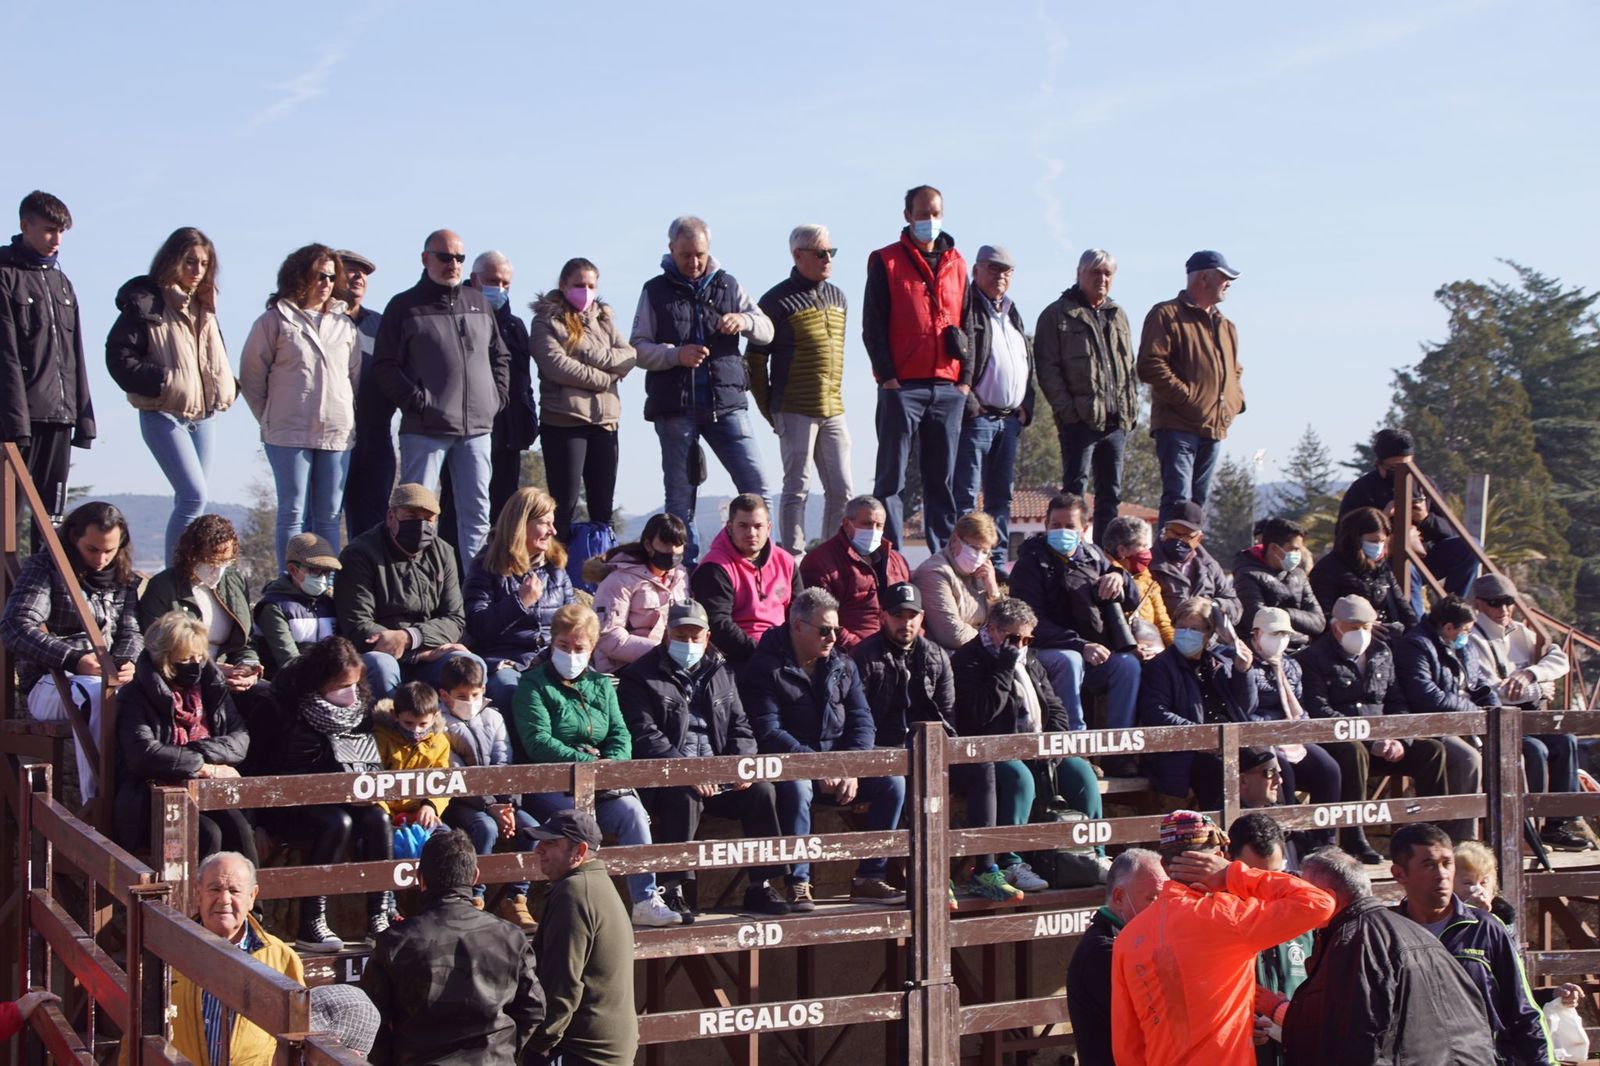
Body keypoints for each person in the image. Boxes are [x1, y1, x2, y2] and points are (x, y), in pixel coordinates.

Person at [1110, 810, 1334, 1066]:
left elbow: (1127, 1045)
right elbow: (1319, 903)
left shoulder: (1128, 938)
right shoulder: (1229, 916)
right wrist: (1234, 874)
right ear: (1219, 857)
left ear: (1163, 865)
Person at [619, 601, 791, 919]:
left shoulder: (723, 672)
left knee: (762, 790)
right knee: (682, 795)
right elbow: (645, 735)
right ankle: (673, 890)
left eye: (694, 636)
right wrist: (686, 771)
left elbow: (741, 727)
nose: (688, 642)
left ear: (707, 637)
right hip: (668, 779)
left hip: (719, 774)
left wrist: (740, 765)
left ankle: (761, 884)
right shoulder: (639, 676)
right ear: (666, 634)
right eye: (680, 635)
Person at [513, 604, 679, 927]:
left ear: (592, 649)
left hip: (601, 783)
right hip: (552, 784)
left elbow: (620, 734)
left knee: (632, 812)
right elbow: (538, 741)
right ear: (552, 642)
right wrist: (590, 764)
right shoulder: (532, 684)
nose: (571, 654)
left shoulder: (602, 685)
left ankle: (645, 899)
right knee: (577, 822)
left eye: (579, 648)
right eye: (564, 645)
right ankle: (577, 908)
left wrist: (611, 766)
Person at [740, 587, 906, 909]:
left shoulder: (843, 664)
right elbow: (768, 731)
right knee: (798, 787)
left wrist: (851, 767)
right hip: (791, 766)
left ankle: (869, 877)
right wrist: (816, 765)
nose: (832, 638)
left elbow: (863, 722)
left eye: (836, 630)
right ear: (797, 626)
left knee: (893, 783)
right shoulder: (764, 667)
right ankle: (798, 883)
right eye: (825, 630)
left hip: (837, 766)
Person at [629, 216, 772, 563]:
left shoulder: (729, 284)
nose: (694, 262)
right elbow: (638, 348)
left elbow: (766, 330)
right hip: (676, 409)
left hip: (727, 405)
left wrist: (744, 320)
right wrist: (675, 355)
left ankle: (760, 565)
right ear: (671, 250)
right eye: (686, 255)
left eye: (700, 254)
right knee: (680, 501)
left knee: (757, 488)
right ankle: (684, 572)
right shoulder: (654, 291)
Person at [1278, 847, 1495, 1066]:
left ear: (1329, 898)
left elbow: (1355, 1041)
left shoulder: (1354, 943)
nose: (1300, 904)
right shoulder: (1416, 933)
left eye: (1305, 896)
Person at [950, 597, 1105, 901]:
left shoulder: (1030, 659)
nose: (1020, 645)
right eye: (1014, 639)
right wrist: (1004, 668)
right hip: (991, 751)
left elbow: (1055, 707)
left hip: (1037, 747)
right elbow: (980, 714)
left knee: (1080, 773)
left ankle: (1093, 854)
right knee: (1019, 779)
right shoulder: (968, 660)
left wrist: (1055, 742)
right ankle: (1011, 862)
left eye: (1027, 639)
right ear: (992, 630)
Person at [372, 229, 511, 563]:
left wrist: (495, 398)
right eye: (445, 257)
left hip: (477, 430)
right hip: (425, 431)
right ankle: (411, 587)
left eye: (460, 258)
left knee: (477, 517)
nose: (453, 264)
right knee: (414, 518)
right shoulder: (403, 306)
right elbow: (385, 365)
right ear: (426, 259)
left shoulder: (478, 303)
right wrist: (417, 401)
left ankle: (474, 591)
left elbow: (500, 356)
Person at [105, 227, 236, 561]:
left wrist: (227, 387)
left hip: (205, 417)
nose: (197, 270)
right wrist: (163, 381)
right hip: (163, 413)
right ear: (172, 260)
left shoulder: (205, 306)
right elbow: (118, 356)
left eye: (204, 263)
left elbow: (211, 358)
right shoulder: (146, 302)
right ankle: (175, 577)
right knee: (193, 496)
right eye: (190, 261)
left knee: (193, 500)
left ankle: (188, 572)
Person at [362, 830, 545, 1066]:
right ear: (475, 876)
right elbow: (533, 1009)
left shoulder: (395, 941)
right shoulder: (511, 937)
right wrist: (504, 1051)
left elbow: (372, 1022)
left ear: (420, 879)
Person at [0, 501, 141, 802]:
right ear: (74, 537)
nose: (100, 559)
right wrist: (74, 659)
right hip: (51, 681)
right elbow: (16, 626)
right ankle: (99, 801)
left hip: (107, 677)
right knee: (96, 696)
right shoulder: (46, 568)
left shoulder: (124, 579)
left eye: (109, 550)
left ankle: (141, 797)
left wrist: (127, 660)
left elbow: (131, 631)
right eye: (92, 549)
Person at [1299, 595, 1452, 865]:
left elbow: (1396, 702)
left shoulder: (1382, 652)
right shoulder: (1314, 657)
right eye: (1353, 627)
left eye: (1366, 627)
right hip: (1341, 741)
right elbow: (1319, 709)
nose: (1361, 633)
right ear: (1336, 627)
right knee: (1353, 751)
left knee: (1432, 751)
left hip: (1384, 738)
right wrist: (1371, 741)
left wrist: (1400, 738)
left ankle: (1432, 832)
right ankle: (1354, 836)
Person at [267, 636, 395, 949]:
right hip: (293, 801)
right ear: (320, 681)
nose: (350, 693)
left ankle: (379, 915)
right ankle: (311, 921)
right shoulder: (286, 708)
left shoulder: (359, 710)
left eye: (354, 684)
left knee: (378, 818)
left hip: (344, 793)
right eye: (341, 686)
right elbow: (277, 767)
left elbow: (365, 756)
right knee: (338, 822)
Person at [1390, 823, 1556, 1065]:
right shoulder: (1386, 934)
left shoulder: (1487, 928)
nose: (1441, 874)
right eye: (1428, 865)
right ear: (1399, 874)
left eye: (1447, 863)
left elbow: (1522, 1010)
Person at [239, 244, 361, 569]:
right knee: (292, 513)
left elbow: (354, 378)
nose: (326, 283)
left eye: (331, 277)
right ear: (299, 275)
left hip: (336, 434)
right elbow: (251, 376)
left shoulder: (345, 325)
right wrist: (271, 416)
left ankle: (326, 583)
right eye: (319, 275)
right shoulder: (273, 321)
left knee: (329, 517)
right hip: (287, 432)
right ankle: (288, 581)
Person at [863, 184, 969, 553]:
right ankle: (890, 557)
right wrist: (888, 378)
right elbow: (873, 325)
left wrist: (965, 382)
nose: (929, 220)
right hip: (902, 387)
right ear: (907, 215)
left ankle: (944, 556)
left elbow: (969, 324)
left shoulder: (958, 264)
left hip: (948, 387)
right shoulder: (885, 261)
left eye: (935, 213)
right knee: (891, 479)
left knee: (941, 480)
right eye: (922, 214)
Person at [113, 610, 253, 862]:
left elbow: (239, 740)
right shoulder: (134, 696)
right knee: (208, 834)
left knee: (240, 829)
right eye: (186, 658)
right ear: (165, 659)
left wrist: (194, 753)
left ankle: (250, 890)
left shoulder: (212, 689)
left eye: (199, 657)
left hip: (205, 792)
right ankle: (200, 890)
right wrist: (205, 767)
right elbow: (143, 754)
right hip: (152, 799)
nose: (195, 665)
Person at [748, 224, 852, 554]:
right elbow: (754, 361)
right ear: (798, 255)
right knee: (797, 487)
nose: (827, 259)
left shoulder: (839, 297)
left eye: (831, 252)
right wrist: (770, 410)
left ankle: (834, 555)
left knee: (842, 489)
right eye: (820, 253)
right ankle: (794, 556)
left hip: (833, 407)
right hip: (793, 407)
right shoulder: (774, 301)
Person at [1467, 573, 1589, 850]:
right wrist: (1538, 689)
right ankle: (1527, 827)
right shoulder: (1474, 638)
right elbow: (1492, 691)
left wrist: (1532, 674)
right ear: (1479, 604)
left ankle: (1558, 823)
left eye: (1509, 601)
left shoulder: (1520, 631)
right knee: (1534, 750)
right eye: (1495, 602)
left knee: (1565, 741)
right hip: (1497, 719)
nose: (1504, 609)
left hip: (1526, 715)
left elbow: (1559, 659)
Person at [1007, 494, 1143, 742]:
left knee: (1127, 665)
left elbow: (1133, 599)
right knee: (1070, 660)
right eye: (1056, 525)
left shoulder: (1095, 557)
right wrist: (1080, 645)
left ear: (1084, 528)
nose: (1062, 531)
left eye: (1070, 526)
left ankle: (1119, 746)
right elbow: (1031, 623)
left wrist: (1119, 577)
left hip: (1093, 651)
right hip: (1047, 652)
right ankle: (1074, 743)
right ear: (1046, 525)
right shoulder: (1029, 564)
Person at [0, 190, 95, 536]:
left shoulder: (62, 283)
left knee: (50, 522)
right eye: (49, 230)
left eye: (61, 232)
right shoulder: (5, 275)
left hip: (60, 416)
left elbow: (75, 354)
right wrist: (16, 422)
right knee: (7, 520)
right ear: (25, 226)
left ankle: (47, 572)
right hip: (17, 419)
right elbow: (6, 355)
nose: (56, 240)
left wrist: (83, 419)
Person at [1136, 250, 1244, 528]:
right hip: (1177, 427)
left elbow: (1234, 370)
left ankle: (1189, 553)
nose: (1229, 284)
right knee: (1178, 500)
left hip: (1214, 428)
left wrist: (1234, 404)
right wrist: (1189, 400)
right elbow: (1150, 365)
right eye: (1224, 277)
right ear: (1204, 278)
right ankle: (1169, 554)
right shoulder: (1166, 314)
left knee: (1197, 504)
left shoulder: (1226, 326)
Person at [530, 256, 635, 542]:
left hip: (605, 423)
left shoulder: (604, 319)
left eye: (591, 286)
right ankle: (559, 563)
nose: (585, 291)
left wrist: (584, 353)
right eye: (579, 285)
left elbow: (629, 355)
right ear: (564, 285)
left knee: (603, 511)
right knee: (563, 508)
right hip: (564, 422)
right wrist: (605, 378)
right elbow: (556, 366)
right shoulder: (545, 321)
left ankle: (599, 563)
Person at [1034, 249, 1136, 543]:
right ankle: (1071, 551)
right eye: (1095, 272)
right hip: (1079, 422)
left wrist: (1130, 411)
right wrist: (1069, 411)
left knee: (1110, 495)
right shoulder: (1057, 315)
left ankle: (1104, 554)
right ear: (1079, 274)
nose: (1102, 279)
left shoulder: (1118, 315)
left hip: (1116, 424)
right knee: (1074, 494)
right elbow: (1047, 369)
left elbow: (1128, 367)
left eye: (1107, 274)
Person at [335, 483, 474, 699]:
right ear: (391, 517)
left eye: (428, 519)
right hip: (382, 655)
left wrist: (411, 637)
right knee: (382, 665)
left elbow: (455, 618)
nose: (421, 525)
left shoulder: (444, 553)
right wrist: (415, 654)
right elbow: (358, 625)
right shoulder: (359, 554)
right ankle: (387, 720)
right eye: (412, 516)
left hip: (428, 648)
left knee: (471, 665)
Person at [526, 810, 639, 1066]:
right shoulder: (595, 883)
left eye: (551, 843)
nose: (538, 850)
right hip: (603, 1050)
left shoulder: (574, 892)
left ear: (579, 851)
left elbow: (564, 984)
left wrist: (537, 1043)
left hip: (583, 1053)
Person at [171, 853, 305, 1066]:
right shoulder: (170, 948)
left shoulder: (281, 957)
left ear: (251, 897)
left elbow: (296, 1039)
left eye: (234, 891)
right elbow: (139, 1030)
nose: (224, 899)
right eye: (215, 889)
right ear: (198, 893)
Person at [437, 655, 539, 929]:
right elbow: (455, 771)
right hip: (461, 802)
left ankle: (516, 896)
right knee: (486, 828)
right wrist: (489, 806)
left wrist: (508, 805)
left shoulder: (494, 717)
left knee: (533, 829)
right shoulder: (439, 724)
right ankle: (475, 896)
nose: (469, 701)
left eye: (475, 694)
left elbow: (504, 760)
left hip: (499, 800)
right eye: (461, 696)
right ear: (445, 695)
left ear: (483, 690)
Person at [1340, 427, 1480, 613]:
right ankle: (1417, 625)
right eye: (1394, 469)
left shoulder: (1423, 483)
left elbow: (1452, 530)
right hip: (1383, 562)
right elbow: (1343, 536)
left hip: (1425, 556)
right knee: (1406, 567)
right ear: (1379, 464)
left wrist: (1425, 518)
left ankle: (1453, 611)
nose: (1401, 473)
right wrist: (1382, 518)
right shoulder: (1362, 489)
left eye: (1407, 466)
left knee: (1471, 545)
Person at [955, 244, 1034, 572]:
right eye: (993, 268)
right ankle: (962, 560)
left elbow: (1025, 359)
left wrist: (1026, 404)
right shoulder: (966, 307)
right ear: (976, 271)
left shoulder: (1012, 312)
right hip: (977, 417)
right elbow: (958, 355)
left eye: (1006, 271)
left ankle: (995, 562)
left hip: (1008, 421)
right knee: (966, 494)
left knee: (1001, 497)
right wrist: (970, 402)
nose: (1000, 276)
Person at [463, 487, 574, 712]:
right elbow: (477, 625)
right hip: (505, 662)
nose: (553, 531)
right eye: (545, 523)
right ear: (521, 524)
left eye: (553, 523)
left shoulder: (556, 569)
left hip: (551, 660)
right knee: (511, 690)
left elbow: (572, 621)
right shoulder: (486, 566)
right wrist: (520, 602)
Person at [1138, 597, 1257, 807]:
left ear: (1208, 634)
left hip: (1227, 743)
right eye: (1181, 627)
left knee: (1269, 764)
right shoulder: (1161, 667)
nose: (1186, 633)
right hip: (1185, 753)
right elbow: (1155, 713)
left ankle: (1278, 824)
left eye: (1194, 629)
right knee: (1217, 773)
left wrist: (1243, 671)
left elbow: (1245, 707)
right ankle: (1231, 827)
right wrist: (1201, 736)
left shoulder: (1218, 663)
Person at [1394, 596, 1491, 843]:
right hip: (1432, 725)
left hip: (1468, 720)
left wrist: (1494, 709)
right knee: (1468, 760)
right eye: (1465, 630)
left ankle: (1515, 832)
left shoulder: (1464, 648)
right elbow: (1427, 697)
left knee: (1512, 753)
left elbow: (1478, 683)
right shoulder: (1416, 646)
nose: (1467, 635)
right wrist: (1472, 710)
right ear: (1448, 628)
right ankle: (1462, 840)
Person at [1244, 607, 1341, 848]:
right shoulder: (1242, 664)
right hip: (1257, 735)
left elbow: (1299, 708)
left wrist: (1296, 730)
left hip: (1290, 733)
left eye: (1285, 635)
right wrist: (1272, 733)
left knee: (1328, 768)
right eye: (1274, 634)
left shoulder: (1290, 666)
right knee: (1281, 769)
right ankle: (1291, 836)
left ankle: (1325, 838)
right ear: (1257, 633)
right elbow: (1245, 708)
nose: (1281, 640)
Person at [138, 515, 264, 697]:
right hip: (181, 680)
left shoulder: (235, 581)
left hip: (228, 676)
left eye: (225, 562)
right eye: (211, 562)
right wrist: (211, 669)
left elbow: (246, 641)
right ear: (192, 555)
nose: (218, 570)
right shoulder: (163, 586)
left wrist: (248, 668)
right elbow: (155, 648)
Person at [1065, 849, 1165, 1066]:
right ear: (1119, 897)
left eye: (1165, 898)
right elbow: (1156, 1018)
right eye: (1153, 898)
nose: (1162, 908)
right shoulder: (1102, 951)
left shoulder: (1128, 941)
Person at [1226, 813, 1312, 1066]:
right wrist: (1237, 1027)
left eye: (1274, 875)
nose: (1265, 888)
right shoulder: (1212, 921)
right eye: (1252, 876)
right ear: (1229, 862)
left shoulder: (1306, 916)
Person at [461, 250, 536, 528]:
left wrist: (527, 422)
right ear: (475, 279)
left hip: (508, 433)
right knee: (464, 509)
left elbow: (524, 382)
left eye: (506, 283)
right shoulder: (457, 316)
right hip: (467, 431)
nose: (500, 289)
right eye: (493, 281)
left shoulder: (515, 326)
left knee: (503, 514)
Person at [689, 493, 797, 667]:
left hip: (784, 655)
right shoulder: (714, 567)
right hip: (737, 660)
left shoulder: (786, 562)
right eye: (743, 526)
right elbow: (718, 625)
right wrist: (763, 653)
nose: (751, 533)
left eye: (758, 526)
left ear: (769, 528)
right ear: (729, 527)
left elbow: (800, 614)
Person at [850, 583, 956, 749]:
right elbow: (857, 716)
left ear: (922, 617)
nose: (906, 623)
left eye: (912, 616)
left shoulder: (937, 656)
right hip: (879, 747)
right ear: (882, 616)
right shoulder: (863, 656)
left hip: (928, 747)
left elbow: (947, 711)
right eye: (898, 615)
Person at [800, 494, 910, 651]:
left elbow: (912, 611)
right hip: (848, 654)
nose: (873, 531)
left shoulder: (897, 561)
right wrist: (863, 651)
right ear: (846, 524)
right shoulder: (820, 562)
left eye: (879, 525)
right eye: (867, 524)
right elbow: (821, 620)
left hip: (896, 649)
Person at [589, 512, 690, 674]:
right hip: (623, 668)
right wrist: (660, 652)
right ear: (648, 545)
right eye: (665, 543)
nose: (672, 551)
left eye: (678, 544)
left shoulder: (681, 577)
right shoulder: (620, 580)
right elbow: (608, 636)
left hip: (669, 663)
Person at [336, 249, 392, 538]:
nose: (358, 277)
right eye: (350, 270)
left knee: (373, 524)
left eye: (364, 273)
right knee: (324, 517)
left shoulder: (381, 325)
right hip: (331, 436)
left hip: (375, 434)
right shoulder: (321, 321)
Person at [1309, 506, 1416, 641]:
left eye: (1382, 541)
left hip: (1383, 637)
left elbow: (1402, 606)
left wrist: (1415, 635)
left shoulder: (1381, 567)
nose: (1378, 546)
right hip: (1345, 640)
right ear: (1355, 539)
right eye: (1373, 541)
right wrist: (1362, 626)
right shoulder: (1328, 569)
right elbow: (1321, 615)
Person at [252, 532, 340, 678]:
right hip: (285, 683)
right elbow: (288, 661)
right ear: (293, 569)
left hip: (329, 680)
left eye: (327, 572)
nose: (323, 578)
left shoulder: (329, 604)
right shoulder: (273, 607)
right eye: (315, 571)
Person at [911, 511, 1002, 651]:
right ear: (955, 540)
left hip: (978, 652)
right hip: (946, 656)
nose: (979, 556)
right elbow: (952, 634)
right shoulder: (933, 573)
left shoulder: (982, 573)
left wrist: (993, 592)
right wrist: (993, 640)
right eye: (974, 548)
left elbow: (1004, 624)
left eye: (985, 552)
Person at [1235, 516, 1325, 648]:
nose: (1297, 554)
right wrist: (1299, 627)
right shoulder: (1247, 575)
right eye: (1293, 549)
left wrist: (1286, 614)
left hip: (1301, 650)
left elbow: (1318, 622)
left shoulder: (1299, 575)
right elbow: (1260, 621)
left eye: (1299, 550)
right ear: (1273, 548)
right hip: (1265, 650)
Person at [374, 681, 449, 837]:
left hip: (421, 814)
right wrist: (388, 816)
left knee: (444, 836)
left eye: (423, 724)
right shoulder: (381, 740)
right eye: (408, 723)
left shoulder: (440, 743)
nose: (416, 730)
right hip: (387, 816)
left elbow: (443, 781)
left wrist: (430, 806)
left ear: (434, 718)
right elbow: (372, 782)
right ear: (395, 716)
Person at [1148, 501, 1243, 624]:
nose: (1179, 540)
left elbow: (1235, 606)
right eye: (1174, 533)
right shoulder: (1148, 563)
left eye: (1187, 536)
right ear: (1165, 531)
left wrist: (1210, 605)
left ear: (1198, 538)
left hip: (1205, 634)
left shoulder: (1210, 567)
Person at [1103, 515, 1175, 650]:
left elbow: (1163, 624)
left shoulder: (1148, 582)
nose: (1148, 552)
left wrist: (1178, 652)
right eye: (1143, 546)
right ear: (1122, 550)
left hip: (1152, 651)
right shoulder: (1104, 578)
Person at [1454, 839, 1518, 926]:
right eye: (1468, 883)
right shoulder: (1441, 916)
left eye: (1483, 882)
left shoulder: (1504, 918)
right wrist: (1468, 912)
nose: (1478, 889)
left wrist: (1485, 916)